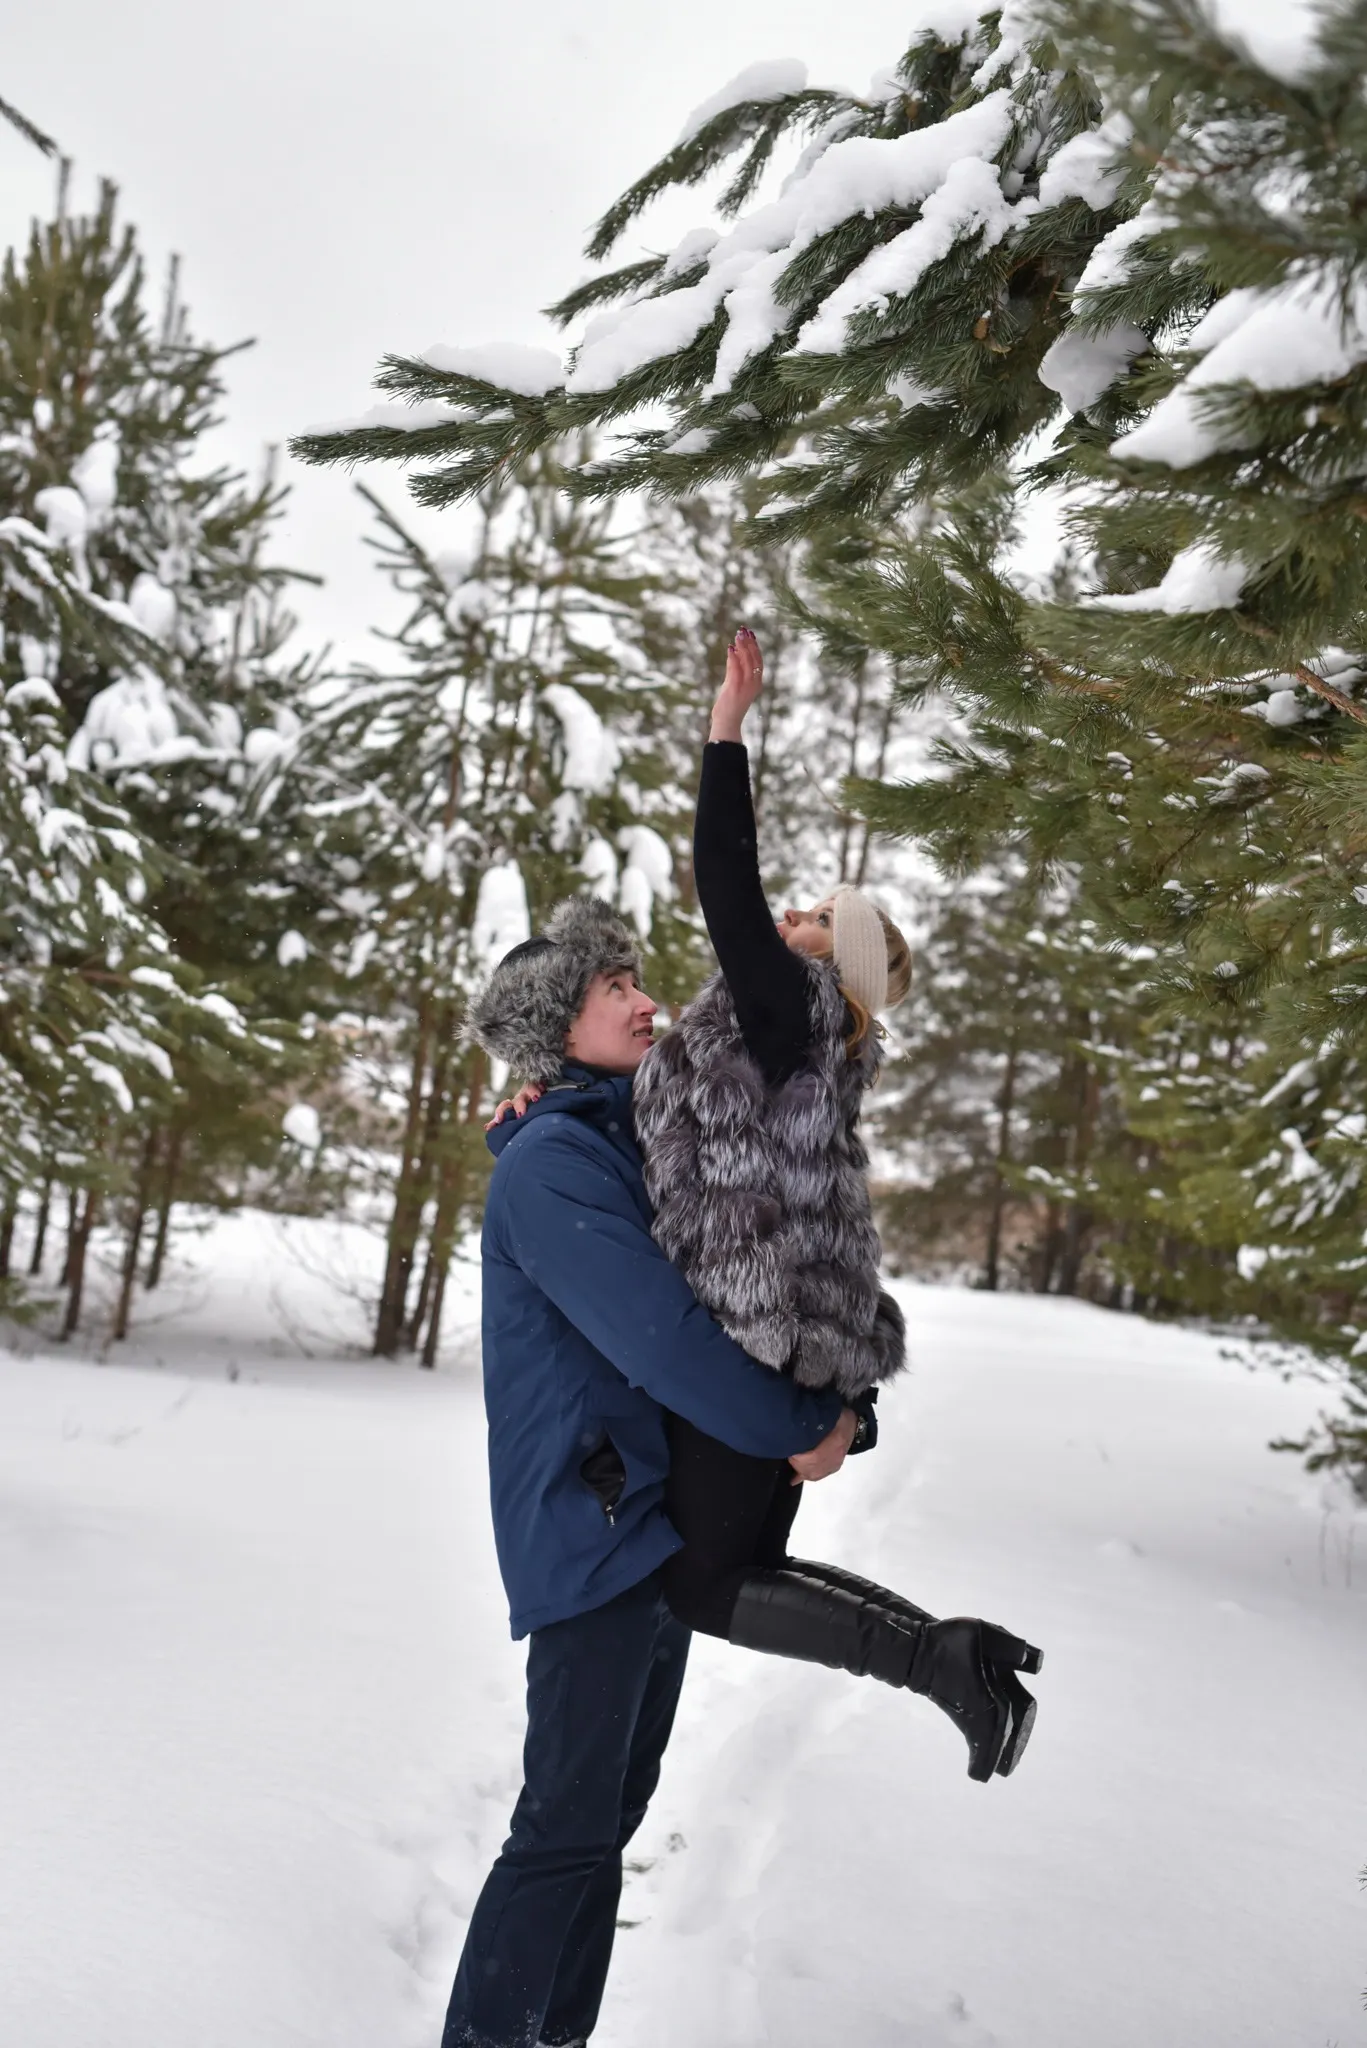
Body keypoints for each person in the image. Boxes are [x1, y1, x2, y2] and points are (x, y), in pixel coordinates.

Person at [492, 627, 1043, 1789]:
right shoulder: (787, 1043)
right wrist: (539, 1097)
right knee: (724, 1569)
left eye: (817, 915)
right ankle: (947, 1657)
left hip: (751, 1333)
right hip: (784, 1332)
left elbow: (726, 887)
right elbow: (667, 1128)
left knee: (702, 1582)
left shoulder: (787, 1006)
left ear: (831, 959)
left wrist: (724, 733)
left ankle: (939, 1661)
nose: (792, 911)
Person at [443, 895, 855, 2048]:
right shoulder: (550, 1166)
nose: (644, 1000)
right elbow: (665, 1337)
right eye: (611, 989)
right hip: (590, 1523)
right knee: (561, 1827)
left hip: (642, 1515)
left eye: (634, 980)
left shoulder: (612, 1135)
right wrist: (794, 1425)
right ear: (551, 1030)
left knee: (605, 1816)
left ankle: (553, 2035)